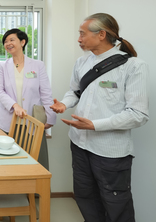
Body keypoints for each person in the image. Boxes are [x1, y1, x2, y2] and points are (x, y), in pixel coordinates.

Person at [50, 13, 149, 222]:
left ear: (101, 34)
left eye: (82, 34)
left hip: (110, 152)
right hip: (79, 145)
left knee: (116, 204)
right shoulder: (81, 62)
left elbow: (138, 115)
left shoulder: (133, 66)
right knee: (86, 198)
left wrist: (95, 125)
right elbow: (75, 91)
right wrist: (63, 104)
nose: (79, 39)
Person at [0, 28, 56, 170]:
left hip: (32, 122)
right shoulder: (2, 66)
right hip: (7, 123)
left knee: (35, 163)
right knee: (7, 163)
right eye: (5, 41)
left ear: (22, 42)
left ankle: (35, 193)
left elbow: (46, 92)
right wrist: (14, 105)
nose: (7, 43)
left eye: (11, 40)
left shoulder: (37, 65)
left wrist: (50, 118)